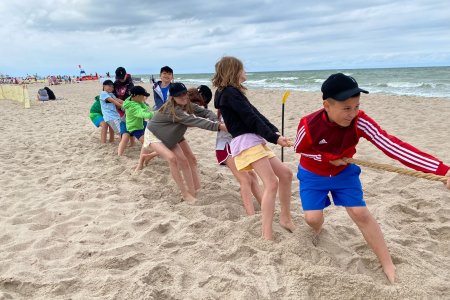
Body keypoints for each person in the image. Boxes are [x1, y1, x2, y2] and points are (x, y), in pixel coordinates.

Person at [293, 72, 450, 284]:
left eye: (356, 106)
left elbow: (393, 146)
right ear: (327, 106)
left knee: (360, 213)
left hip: (343, 173)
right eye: (347, 108)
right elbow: (299, 149)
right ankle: (319, 228)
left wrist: (443, 171)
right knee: (312, 219)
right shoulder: (309, 124)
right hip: (313, 173)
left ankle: (387, 263)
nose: (353, 113)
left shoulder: (360, 121)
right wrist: (328, 157)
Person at [212, 56, 296, 240]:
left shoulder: (233, 93)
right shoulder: (229, 94)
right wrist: (274, 137)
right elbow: (251, 118)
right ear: (234, 71)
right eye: (243, 68)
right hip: (246, 141)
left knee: (286, 174)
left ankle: (285, 218)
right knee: (271, 183)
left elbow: (255, 114)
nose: (246, 71)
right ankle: (267, 235)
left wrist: (275, 133)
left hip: (253, 139)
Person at [141, 82, 226, 203]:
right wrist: (220, 126)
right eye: (179, 95)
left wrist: (215, 120)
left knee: (185, 161)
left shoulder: (188, 104)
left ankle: (192, 192)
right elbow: (196, 121)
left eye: (184, 93)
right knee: (172, 158)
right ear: (172, 97)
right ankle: (185, 194)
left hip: (170, 134)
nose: (183, 97)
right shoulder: (172, 109)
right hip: (154, 134)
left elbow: (206, 113)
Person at [119, 86, 158, 161]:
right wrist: (154, 114)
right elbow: (142, 114)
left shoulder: (133, 100)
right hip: (135, 127)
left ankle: (152, 153)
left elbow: (144, 108)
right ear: (137, 96)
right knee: (146, 142)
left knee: (148, 140)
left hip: (139, 124)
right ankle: (151, 154)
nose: (144, 97)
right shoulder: (133, 106)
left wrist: (149, 110)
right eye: (143, 96)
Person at [114, 67, 136, 154]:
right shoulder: (116, 82)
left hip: (127, 106)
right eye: (119, 78)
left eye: (122, 77)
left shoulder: (130, 83)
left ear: (125, 75)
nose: (121, 79)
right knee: (122, 125)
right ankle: (123, 142)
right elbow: (113, 93)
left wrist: (124, 103)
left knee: (129, 124)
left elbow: (131, 97)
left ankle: (132, 142)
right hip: (118, 106)